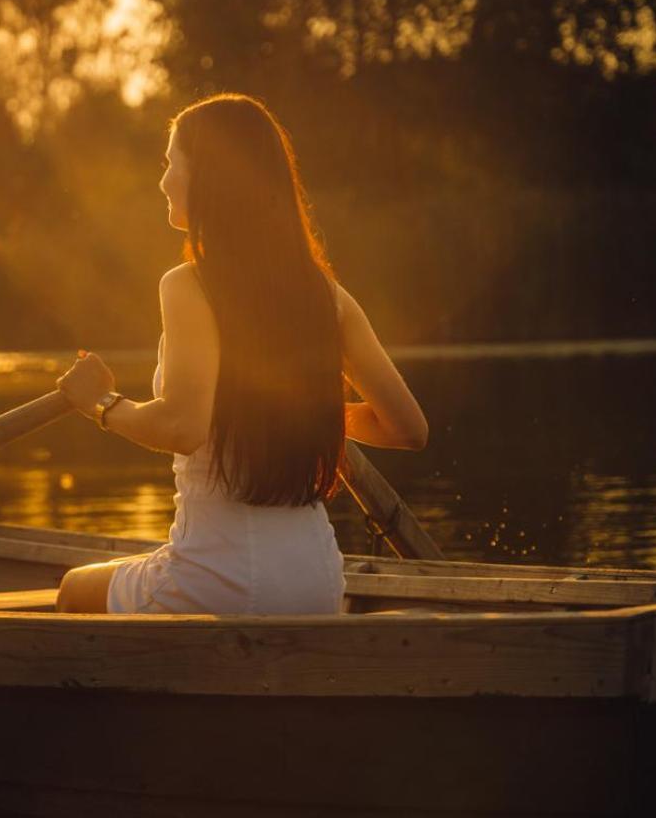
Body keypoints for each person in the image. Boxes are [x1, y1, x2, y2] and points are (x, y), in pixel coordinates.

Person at [54, 93, 429, 615]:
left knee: (73, 591)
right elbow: (407, 428)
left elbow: (183, 428)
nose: (162, 180)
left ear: (208, 176)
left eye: (170, 163)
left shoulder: (187, 285)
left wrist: (102, 404)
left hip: (219, 579)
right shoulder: (325, 294)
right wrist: (289, 417)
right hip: (317, 581)